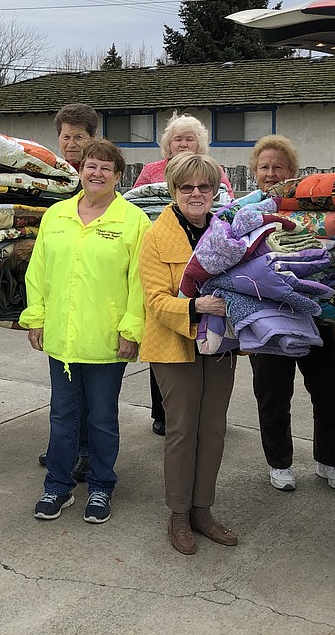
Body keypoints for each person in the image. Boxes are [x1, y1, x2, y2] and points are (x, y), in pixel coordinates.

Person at [21, 139, 150, 525]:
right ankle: (58, 487)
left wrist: (131, 329)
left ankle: (100, 487)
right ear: (81, 170)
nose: (96, 173)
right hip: (62, 338)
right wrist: (36, 317)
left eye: (105, 168)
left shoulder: (133, 221)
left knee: (101, 418)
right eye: (91, 165)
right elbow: (38, 272)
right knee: (62, 416)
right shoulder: (57, 216)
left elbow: (140, 282)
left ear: (118, 176)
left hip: (107, 341)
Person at [139, 152, 239, 554]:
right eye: (186, 187)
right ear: (173, 190)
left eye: (204, 187)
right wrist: (196, 307)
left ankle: (203, 510)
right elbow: (154, 300)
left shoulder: (227, 232)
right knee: (182, 430)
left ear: (215, 191)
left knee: (213, 429)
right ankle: (178, 515)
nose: (196, 193)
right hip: (173, 343)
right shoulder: (155, 235)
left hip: (220, 346)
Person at [245, 134, 335, 492]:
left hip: (317, 313)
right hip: (268, 317)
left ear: (292, 172)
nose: (271, 173)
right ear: (255, 173)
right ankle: (279, 463)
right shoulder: (244, 210)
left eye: (279, 167)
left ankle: (329, 462)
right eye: (264, 167)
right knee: (273, 394)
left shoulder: (311, 208)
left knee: (330, 391)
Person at [129, 113, 232, 437]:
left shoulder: (213, 171)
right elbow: (137, 208)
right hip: (163, 256)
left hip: (204, 263)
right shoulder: (151, 173)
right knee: (165, 345)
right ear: (168, 145)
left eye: (190, 138)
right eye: (178, 138)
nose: (184, 143)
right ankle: (163, 412)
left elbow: (226, 208)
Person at [35, 102, 100, 479]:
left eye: (79, 137)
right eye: (66, 137)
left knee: (93, 391)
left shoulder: (97, 174)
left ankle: (87, 452)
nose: (72, 144)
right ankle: (64, 447)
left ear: (93, 138)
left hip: (92, 297)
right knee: (64, 385)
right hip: (59, 292)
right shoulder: (51, 174)